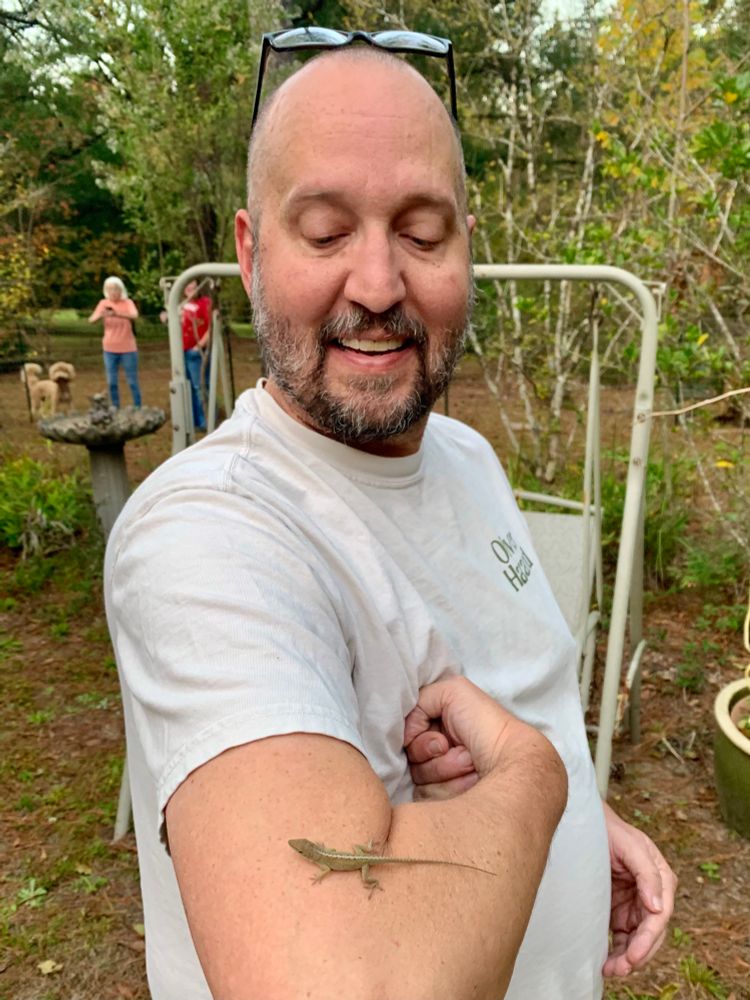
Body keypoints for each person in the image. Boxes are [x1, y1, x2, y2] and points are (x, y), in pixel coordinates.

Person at [104, 41, 676, 1000]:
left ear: (466, 247)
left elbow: (516, 703)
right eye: (326, 233)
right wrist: (539, 787)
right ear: (250, 252)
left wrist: (583, 824)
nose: (376, 285)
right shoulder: (206, 534)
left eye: (421, 233)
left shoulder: (470, 458)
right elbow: (343, 979)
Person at [88, 275, 141, 408]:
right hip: (109, 348)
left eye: (115, 289)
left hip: (128, 348)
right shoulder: (103, 303)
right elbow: (91, 320)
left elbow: (134, 315)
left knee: (132, 380)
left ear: (121, 290)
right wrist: (102, 315)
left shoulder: (127, 303)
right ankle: (115, 406)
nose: (113, 292)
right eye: (110, 289)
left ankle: (137, 406)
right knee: (111, 381)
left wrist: (117, 314)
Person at [180, 279, 212, 431]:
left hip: (196, 352)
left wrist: (198, 346)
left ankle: (205, 420)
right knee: (186, 386)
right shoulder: (181, 304)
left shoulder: (204, 303)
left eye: (193, 285)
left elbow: (211, 327)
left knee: (200, 386)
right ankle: (192, 420)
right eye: (187, 285)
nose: (190, 288)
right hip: (182, 351)